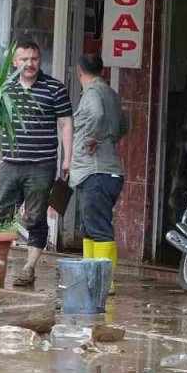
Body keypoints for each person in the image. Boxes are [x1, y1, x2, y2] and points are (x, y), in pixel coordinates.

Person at [0, 40, 74, 287]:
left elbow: (66, 123)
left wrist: (68, 158)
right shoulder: (5, 89)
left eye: (34, 59)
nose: (29, 64)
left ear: (40, 60)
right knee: (1, 215)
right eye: (24, 59)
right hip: (10, 163)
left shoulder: (54, 89)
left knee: (35, 218)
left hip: (41, 165)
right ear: (14, 62)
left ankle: (28, 268)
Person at [69, 53, 128, 294]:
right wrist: (108, 139)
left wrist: (92, 138)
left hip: (96, 172)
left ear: (78, 71)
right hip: (105, 171)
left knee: (99, 228)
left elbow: (95, 114)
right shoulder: (109, 92)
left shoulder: (93, 92)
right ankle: (90, 276)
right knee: (90, 226)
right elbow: (125, 124)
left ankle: (104, 282)